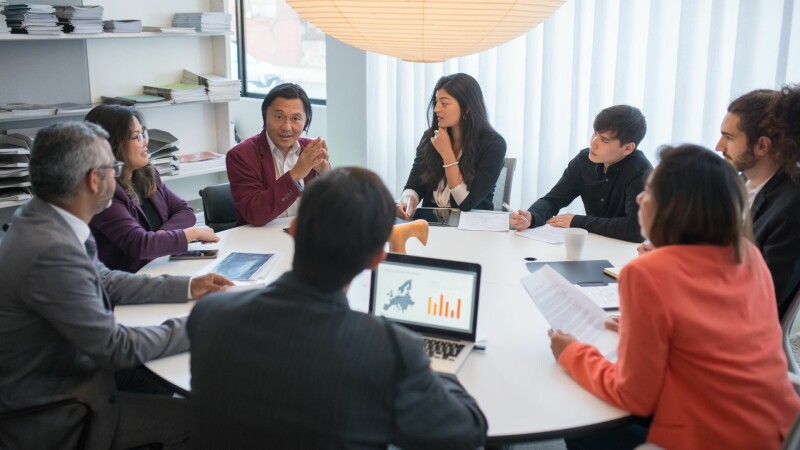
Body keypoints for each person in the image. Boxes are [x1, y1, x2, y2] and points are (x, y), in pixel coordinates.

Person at [189, 167, 487, 449]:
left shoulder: (210, 313)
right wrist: (426, 363)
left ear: (293, 230)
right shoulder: (390, 349)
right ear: (376, 260)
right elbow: (469, 430)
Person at [548, 145, 800, 450]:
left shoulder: (647, 273)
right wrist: (641, 330)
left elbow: (634, 396)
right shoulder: (749, 256)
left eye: (650, 192)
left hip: (706, 438)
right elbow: (714, 334)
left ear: (677, 207)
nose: (640, 198)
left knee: (582, 414)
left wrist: (572, 353)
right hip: (778, 431)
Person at [0, 122, 233, 450]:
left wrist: (189, 286)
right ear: (94, 180)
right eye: (113, 166)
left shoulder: (44, 217)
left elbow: (104, 279)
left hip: (69, 369)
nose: (118, 174)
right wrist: (201, 326)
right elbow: (114, 347)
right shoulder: (50, 250)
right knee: (205, 421)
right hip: (57, 409)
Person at [85, 104, 219, 273]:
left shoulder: (147, 174)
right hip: (126, 283)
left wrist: (159, 238)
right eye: (137, 137)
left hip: (161, 267)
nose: (146, 141)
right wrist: (193, 233)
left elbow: (185, 211)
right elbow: (140, 245)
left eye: (144, 133)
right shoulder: (103, 190)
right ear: (112, 144)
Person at [714, 86, 800, 320]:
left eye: (729, 138)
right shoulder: (743, 182)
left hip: (740, 326)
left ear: (762, 145)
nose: (719, 146)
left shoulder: (791, 208)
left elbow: (762, 298)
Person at [510, 105, 651, 242]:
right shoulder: (584, 160)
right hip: (592, 245)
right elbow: (553, 200)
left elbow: (635, 229)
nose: (593, 143)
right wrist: (532, 216)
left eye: (604, 140)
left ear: (627, 148)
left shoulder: (641, 172)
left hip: (623, 254)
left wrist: (577, 221)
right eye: (595, 133)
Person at [397, 73, 506, 217]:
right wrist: (407, 202)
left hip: (474, 228)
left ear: (466, 107)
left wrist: (447, 153)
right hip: (433, 224)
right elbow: (414, 185)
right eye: (436, 102)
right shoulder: (430, 137)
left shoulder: (494, 144)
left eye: (444, 103)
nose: (436, 109)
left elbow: (466, 203)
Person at [226, 83, 330, 226]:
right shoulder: (241, 155)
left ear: (305, 120)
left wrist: (326, 175)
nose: (287, 127)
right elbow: (254, 213)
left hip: (302, 236)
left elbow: (332, 211)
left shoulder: (310, 149)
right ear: (265, 116)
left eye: (295, 119)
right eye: (278, 117)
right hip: (257, 240)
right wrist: (295, 175)